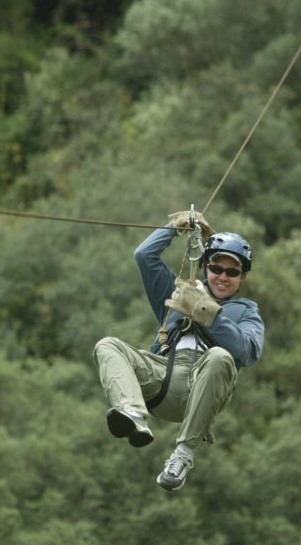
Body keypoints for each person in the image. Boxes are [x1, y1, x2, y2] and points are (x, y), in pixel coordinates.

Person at [93, 210, 264, 491]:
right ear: (206, 266)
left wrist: (205, 311)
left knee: (220, 356)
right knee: (108, 345)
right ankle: (132, 413)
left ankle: (183, 455)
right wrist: (174, 227)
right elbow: (144, 256)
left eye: (232, 272)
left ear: (242, 278)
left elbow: (246, 352)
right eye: (216, 269)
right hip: (164, 376)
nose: (223, 277)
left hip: (203, 386)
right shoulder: (179, 294)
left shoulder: (246, 312)